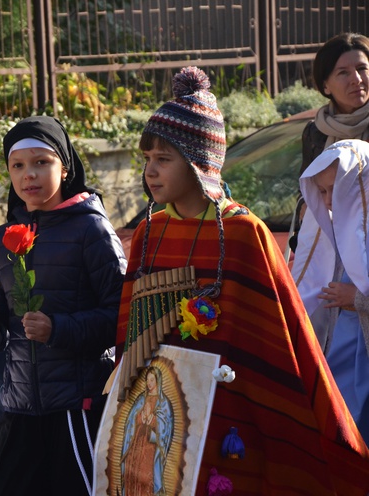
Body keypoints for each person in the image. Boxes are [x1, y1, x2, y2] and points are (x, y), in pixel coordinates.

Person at [112, 66, 369, 494]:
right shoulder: (149, 233)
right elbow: (132, 325)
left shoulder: (243, 232)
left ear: (199, 163)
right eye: (146, 160)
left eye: (163, 159)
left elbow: (277, 334)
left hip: (229, 407)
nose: (151, 172)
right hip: (159, 409)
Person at [0, 115, 127, 496]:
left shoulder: (91, 230)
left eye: (41, 162)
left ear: (64, 167)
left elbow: (122, 315)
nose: (28, 175)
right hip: (18, 408)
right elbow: (0, 324)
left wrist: (59, 329)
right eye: (17, 166)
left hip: (76, 408)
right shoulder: (3, 239)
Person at [292, 32, 369, 319]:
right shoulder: (315, 132)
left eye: (362, 69)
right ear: (325, 84)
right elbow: (307, 188)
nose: (357, 80)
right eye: (344, 72)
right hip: (329, 251)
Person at [300, 139, 369, 443]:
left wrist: (355, 298)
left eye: (335, 190)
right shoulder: (337, 226)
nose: (327, 201)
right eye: (323, 192)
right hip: (347, 338)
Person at [120, 366, 172, 496]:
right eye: (147, 380)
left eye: (152, 380)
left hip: (150, 447)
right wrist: (140, 417)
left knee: (145, 478)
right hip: (136, 443)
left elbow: (166, 428)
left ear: (158, 381)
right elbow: (131, 420)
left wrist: (152, 419)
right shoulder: (141, 399)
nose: (149, 383)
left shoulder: (163, 402)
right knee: (132, 474)